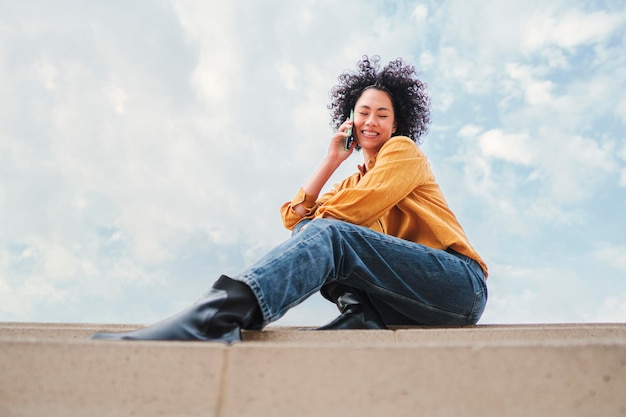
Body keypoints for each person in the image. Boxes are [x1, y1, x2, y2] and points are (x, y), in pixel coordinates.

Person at [90, 55, 488, 343]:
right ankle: (360, 315)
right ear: (350, 117)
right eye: (363, 112)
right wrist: (331, 160)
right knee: (315, 230)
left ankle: (217, 317)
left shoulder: (403, 152)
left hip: (456, 284)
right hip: (405, 300)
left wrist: (317, 226)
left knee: (327, 234)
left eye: (382, 115)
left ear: (396, 123)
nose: (371, 122)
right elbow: (294, 217)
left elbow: (343, 217)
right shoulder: (354, 179)